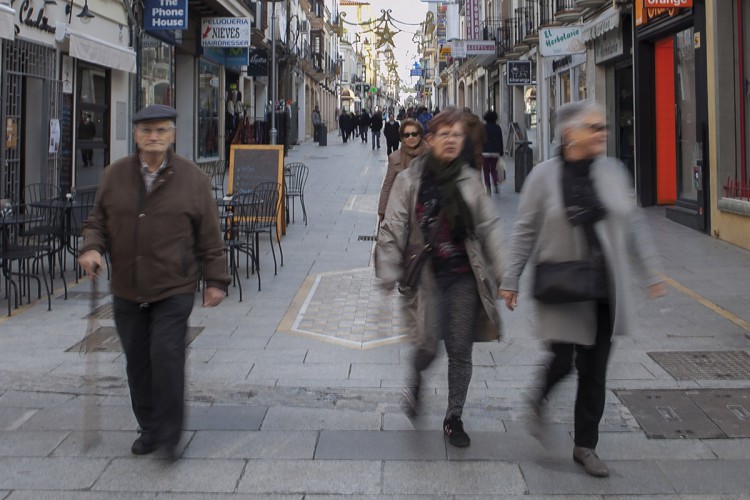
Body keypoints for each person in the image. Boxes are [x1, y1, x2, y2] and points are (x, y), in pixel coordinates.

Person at [499, 100, 666, 478]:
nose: (602, 134)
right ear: (570, 133)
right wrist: (510, 280)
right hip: (563, 285)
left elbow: (634, 222)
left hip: (605, 287)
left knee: (595, 370)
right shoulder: (543, 176)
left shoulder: (613, 171)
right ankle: (538, 398)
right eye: (593, 127)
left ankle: (585, 445)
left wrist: (651, 272)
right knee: (562, 360)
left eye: (603, 127)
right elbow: (524, 229)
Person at [78, 104, 230, 459]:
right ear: (136, 135)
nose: (154, 137)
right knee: (137, 362)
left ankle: (169, 435)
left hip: (173, 286)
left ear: (172, 135)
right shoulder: (114, 176)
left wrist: (216, 280)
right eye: (147, 131)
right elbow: (96, 221)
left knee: (166, 356)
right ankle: (149, 427)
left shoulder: (194, 180)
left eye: (161, 131)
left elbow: (209, 235)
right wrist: (92, 248)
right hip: (127, 288)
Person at [375, 107, 505, 448]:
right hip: (426, 279)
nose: (451, 140)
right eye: (444, 134)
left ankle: (454, 417)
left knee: (461, 348)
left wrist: (505, 275)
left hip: (463, 276)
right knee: (428, 347)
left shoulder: (469, 180)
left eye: (457, 135)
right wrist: (388, 270)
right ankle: (416, 378)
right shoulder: (410, 180)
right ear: (430, 140)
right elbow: (393, 228)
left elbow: (489, 228)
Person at [377, 118, 429, 221]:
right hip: (402, 211)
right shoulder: (395, 158)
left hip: (425, 211)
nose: (411, 137)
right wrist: (382, 212)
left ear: (420, 135)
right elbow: (388, 185)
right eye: (407, 135)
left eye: (414, 134)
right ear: (402, 138)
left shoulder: (430, 155)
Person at [481, 110, 504, 195]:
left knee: (486, 170)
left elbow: (481, 140)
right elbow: (500, 140)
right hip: (495, 152)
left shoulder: (483, 127)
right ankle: (495, 184)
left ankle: (488, 187)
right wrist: (501, 151)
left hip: (485, 152)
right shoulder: (498, 128)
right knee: (493, 169)